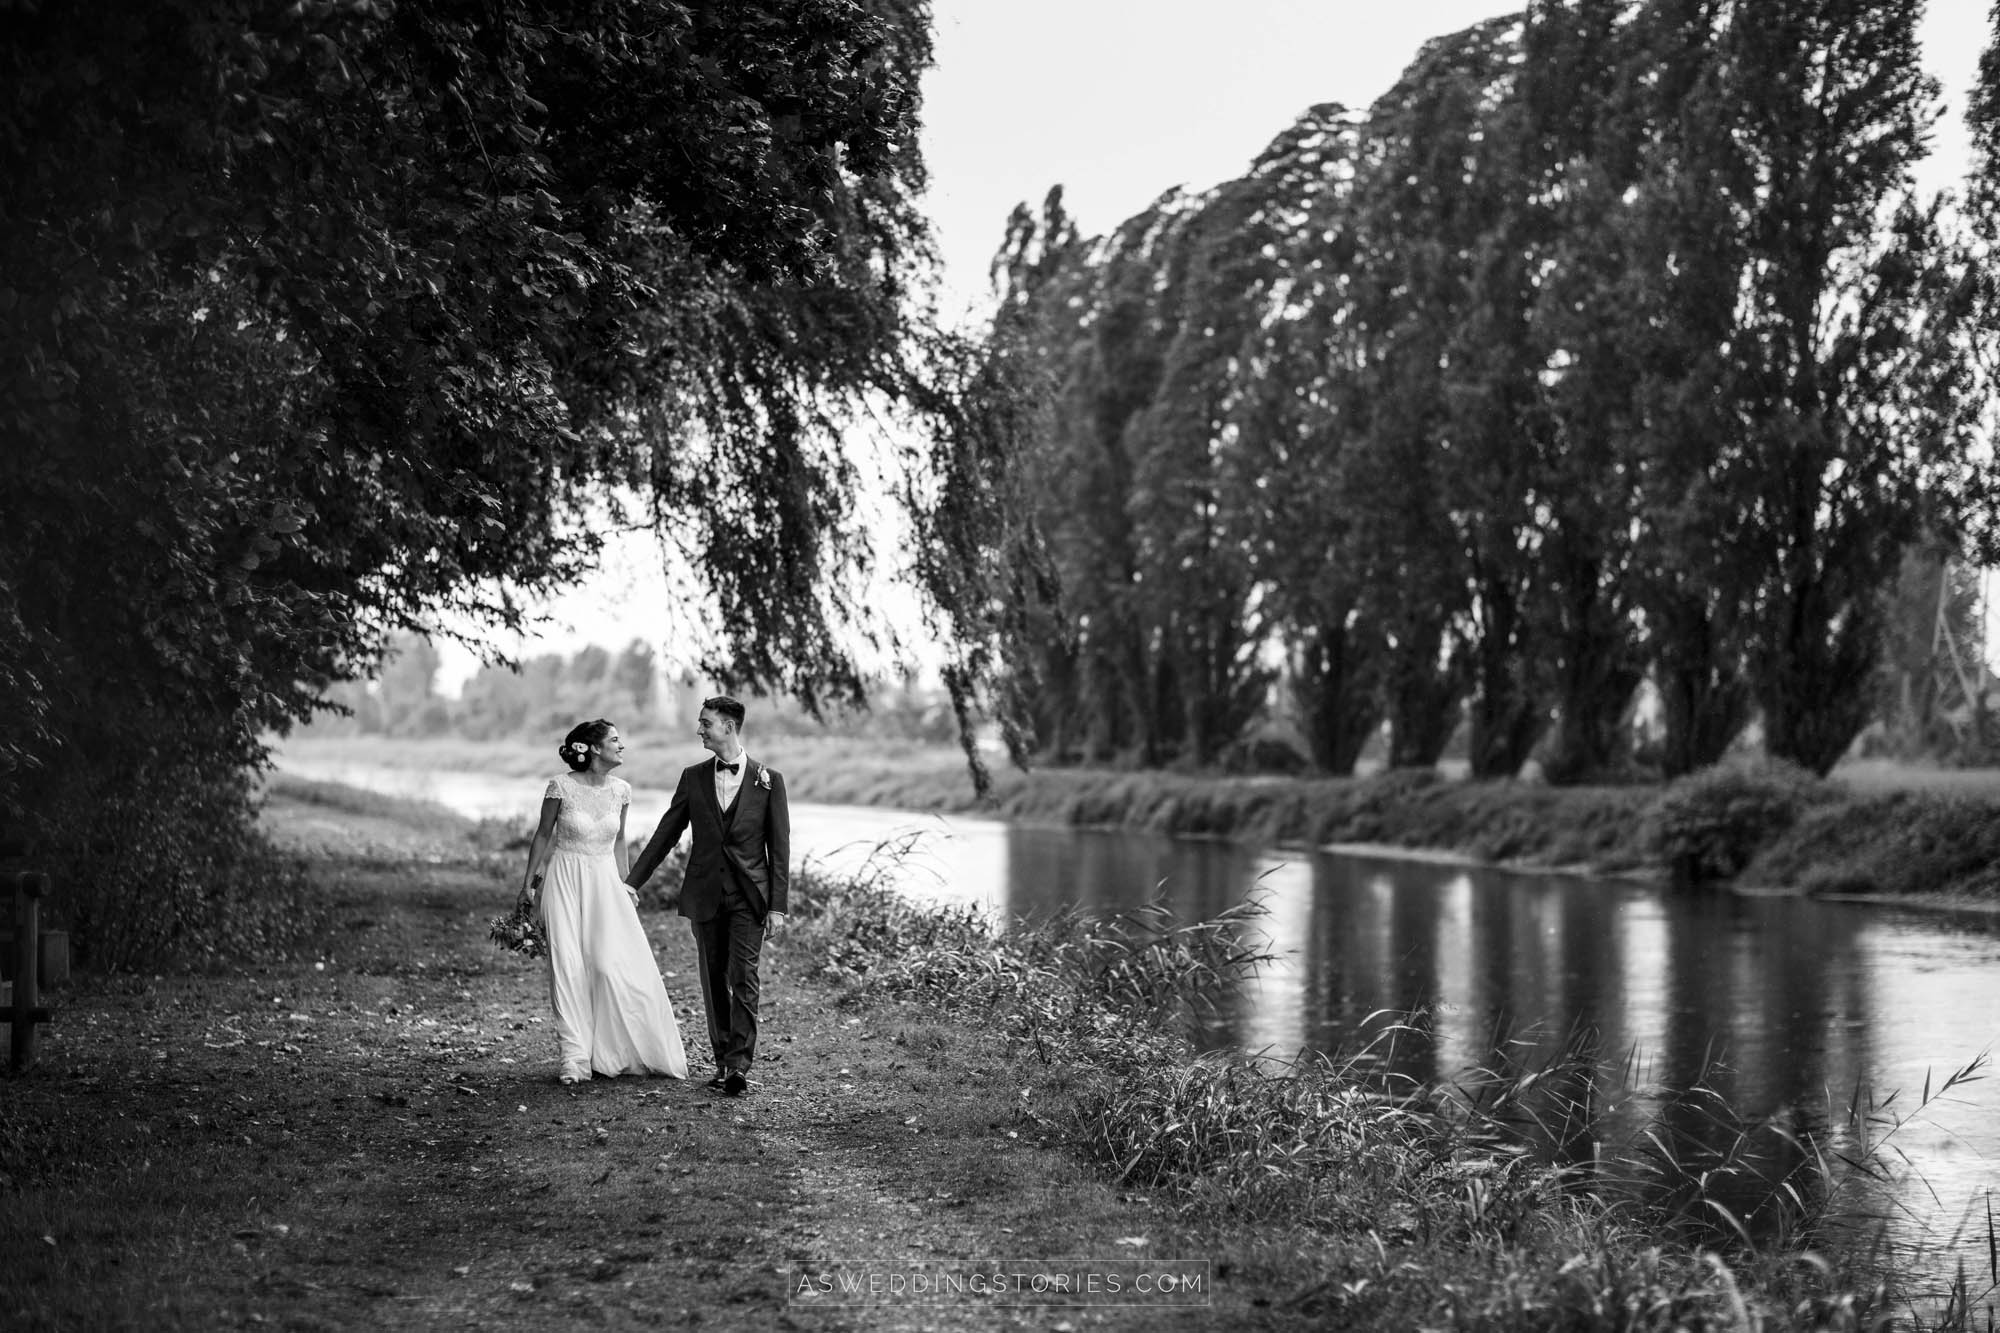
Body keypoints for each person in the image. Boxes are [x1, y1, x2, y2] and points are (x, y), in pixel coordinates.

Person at [626, 695, 789, 1097]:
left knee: (745, 977)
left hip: (750, 897)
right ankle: (722, 1061)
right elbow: (667, 833)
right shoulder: (693, 777)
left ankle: (739, 1066)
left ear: (728, 727)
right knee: (713, 979)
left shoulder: (769, 780)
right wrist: (632, 882)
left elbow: (780, 848)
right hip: (705, 895)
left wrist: (777, 906)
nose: (699, 729)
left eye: (705, 723)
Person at [519, 719, 688, 1086]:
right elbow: (543, 835)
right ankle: (574, 1058)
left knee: (608, 964)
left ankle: (611, 1049)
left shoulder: (622, 790)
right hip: (565, 878)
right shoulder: (560, 786)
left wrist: (628, 885)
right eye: (615, 739)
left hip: (606, 882)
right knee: (568, 966)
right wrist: (528, 884)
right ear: (594, 748)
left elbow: (620, 840)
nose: (621, 745)